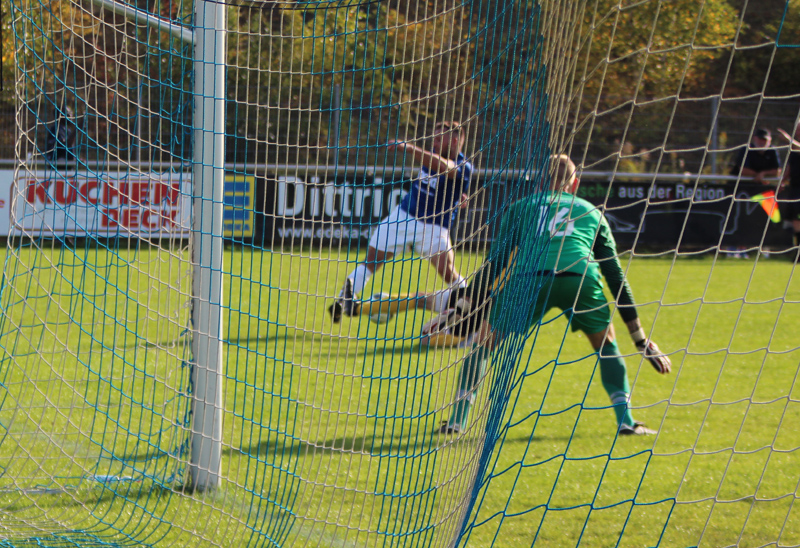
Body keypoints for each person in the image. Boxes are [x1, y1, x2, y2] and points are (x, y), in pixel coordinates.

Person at [434, 154, 671, 436]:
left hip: (528, 280)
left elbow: (495, 263)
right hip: (579, 279)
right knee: (606, 344)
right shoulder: (591, 212)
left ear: (541, 181)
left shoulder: (522, 206)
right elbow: (615, 275)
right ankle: (626, 421)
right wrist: (640, 338)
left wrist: (465, 303)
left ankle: (457, 422)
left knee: (484, 342)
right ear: (574, 183)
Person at [328, 121, 474, 331]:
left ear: (454, 141)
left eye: (439, 139)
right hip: (403, 217)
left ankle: (473, 306)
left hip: (433, 227)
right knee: (372, 260)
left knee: (447, 270)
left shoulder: (464, 166)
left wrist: (408, 147)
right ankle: (345, 300)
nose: (434, 142)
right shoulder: (433, 154)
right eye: (433, 138)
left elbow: (445, 168)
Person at [777, 123, 800, 249]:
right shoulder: (794, 147)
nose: (798, 132)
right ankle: (798, 250)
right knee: (795, 220)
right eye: (797, 130)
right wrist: (783, 180)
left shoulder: (795, 145)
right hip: (795, 188)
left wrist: (787, 139)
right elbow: (790, 167)